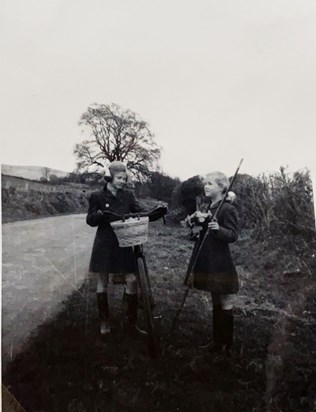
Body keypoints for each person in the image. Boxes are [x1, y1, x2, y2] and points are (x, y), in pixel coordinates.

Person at [86, 161, 146, 336]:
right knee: (103, 281)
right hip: (104, 243)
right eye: (119, 178)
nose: (122, 181)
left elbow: (140, 211)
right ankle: (104, 322)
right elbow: (89, 220)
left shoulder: (127, 196)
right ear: (109, 177)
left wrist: (154, 212)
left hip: (124, 243)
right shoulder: (97, 196)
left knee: (132, 279)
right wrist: (97, 215)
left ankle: (129, 322)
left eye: (124, 178)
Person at [186, 171, 239, 356]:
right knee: (215, 299)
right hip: (208, 260)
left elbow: (232, 235)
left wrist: (219, 229)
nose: (205, 186)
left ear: (222, 188)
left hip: (221, 262)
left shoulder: (227, 209)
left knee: (224, 300)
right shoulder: (209, 207)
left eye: (210, 184)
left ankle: (226, 345)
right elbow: (202, 231)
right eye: (205, 183)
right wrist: (194, 225)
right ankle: (217, 341)